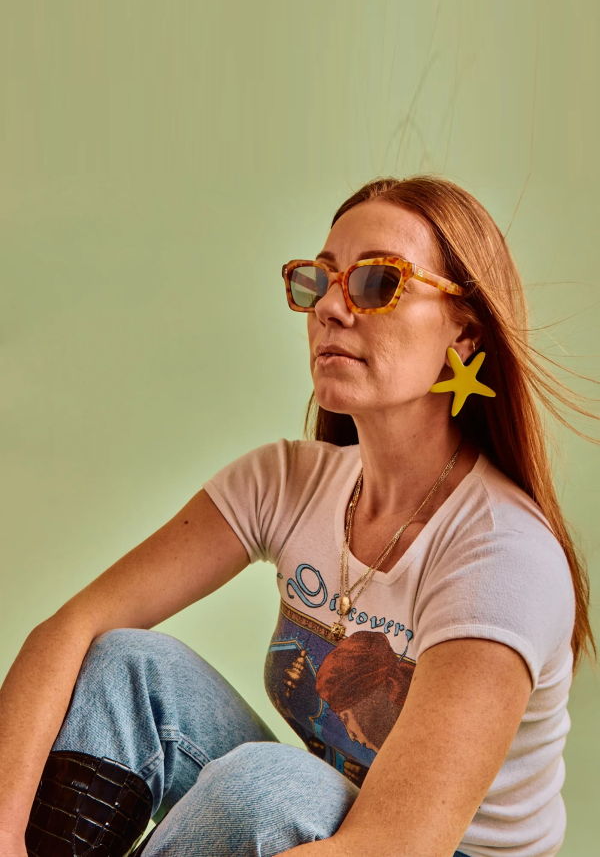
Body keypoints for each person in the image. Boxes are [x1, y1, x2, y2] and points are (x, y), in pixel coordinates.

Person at [0, 175, 596, 857]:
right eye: (319, 281)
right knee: (125, 665)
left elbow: (392, 846)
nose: (330, 309)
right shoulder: (288, 482)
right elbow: (71, 628)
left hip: (416, 848)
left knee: (268, 789)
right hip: (342, 823)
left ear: (463, 333)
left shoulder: (503, 558)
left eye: (378, 283)